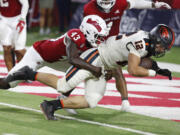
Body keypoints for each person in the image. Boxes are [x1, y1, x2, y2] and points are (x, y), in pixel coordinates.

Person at [2, 24, 174, 120]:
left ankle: (51, 106)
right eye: (161, 45)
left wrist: (157, 67)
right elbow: (133, 68)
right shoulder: (141, 43)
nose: (161, 49)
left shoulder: (147, 43)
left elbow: (144, 59)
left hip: (106, 63)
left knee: (91, 100)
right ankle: (28, 73)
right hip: (97, 57)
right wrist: (154, 73)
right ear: (154, 40)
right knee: (64, 86)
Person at [0, 15, 109, 114]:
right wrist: (95, 69)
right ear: (88, 31)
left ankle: (63, 98)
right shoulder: (76, 34)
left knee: (80, 71)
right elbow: (73, 59)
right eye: (98, 36)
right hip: (38, 54)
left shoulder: (91, 44)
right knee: (7, 83)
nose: (100, 40)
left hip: (58, 60)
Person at [81, 0, 171, 111]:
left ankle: (125, 102)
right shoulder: (89, 8)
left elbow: (135, 3)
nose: (106, 2)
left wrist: (154, 4)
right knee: (85, 70)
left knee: (117, 71)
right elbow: (87, 29)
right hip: (95, 43)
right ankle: (64, 97)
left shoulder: (120, 3)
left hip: (112, 43)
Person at [0, 0, 29, 72]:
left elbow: (25, 4)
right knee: (6, 48)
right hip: (3, 19)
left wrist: (22, 18)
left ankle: (25, 71)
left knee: (19, 50)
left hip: (17, 19)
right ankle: (11, 74)